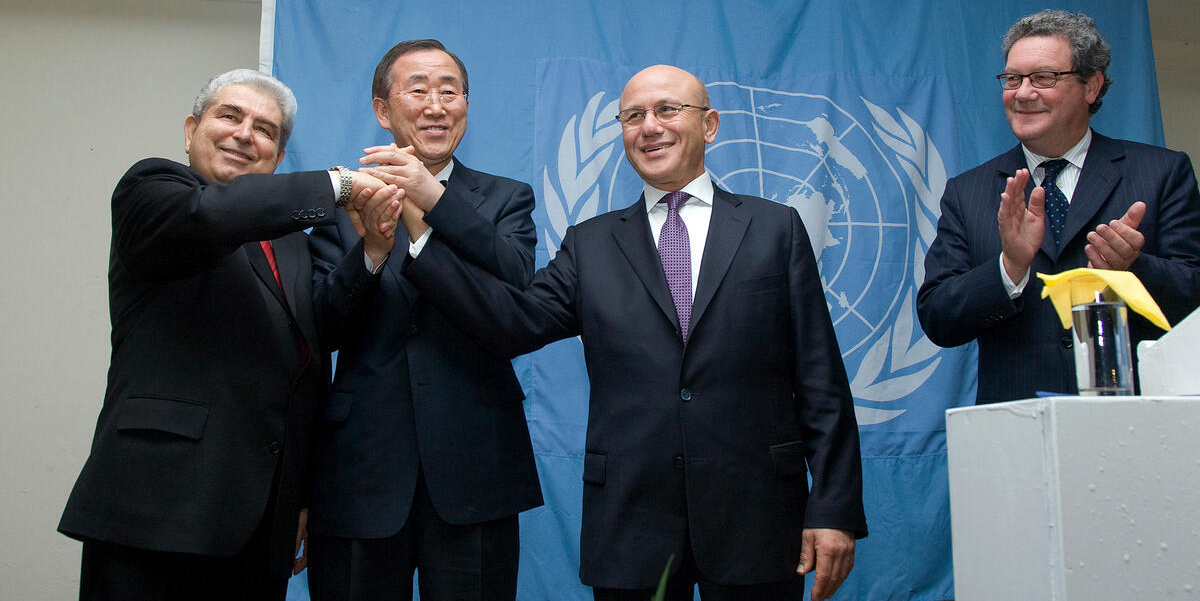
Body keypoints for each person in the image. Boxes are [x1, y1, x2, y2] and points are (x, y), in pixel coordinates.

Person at [396, 63, 866, 601]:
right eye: (633, 116)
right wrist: (422, 240)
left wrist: (834, 509)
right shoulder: (590, 243)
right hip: (633, 525)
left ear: (709, 125)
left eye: (668, 110)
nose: (650, 127)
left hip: (758, 519)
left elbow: (821, 381)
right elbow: (513, 323)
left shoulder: (775, 228)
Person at [58, 69, 388, 600]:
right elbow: (214, 217)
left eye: (265, 130)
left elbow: (313, 346)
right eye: (230, 116)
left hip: (261, 523)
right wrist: (339, 184)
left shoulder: (291, 242)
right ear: (192, 130)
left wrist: (371, 251)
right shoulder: (154, 189)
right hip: (156, 506)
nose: (244, 134)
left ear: (278, 158)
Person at [306, 39, 542, 601]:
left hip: (476, 467)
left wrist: (430, 197)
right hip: (361, 470)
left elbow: (514, 282)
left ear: (466, 106)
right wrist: (370, 252)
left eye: (449, 92)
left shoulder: (507, 198)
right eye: (418, 90)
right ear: (382, 109)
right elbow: (320, 328)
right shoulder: (343, 201)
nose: (436, 106)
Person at [917, 10, 1200, 404]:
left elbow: (1193, 300)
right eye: (1012, 79)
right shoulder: (968, 192)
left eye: (1043, 78)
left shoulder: (1161, 172)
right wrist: (1009, 268)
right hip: (1018, 425)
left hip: (1134, 423)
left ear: (1091, 86)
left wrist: (1133, 268)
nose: (1022, 93)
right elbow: (938, 319)